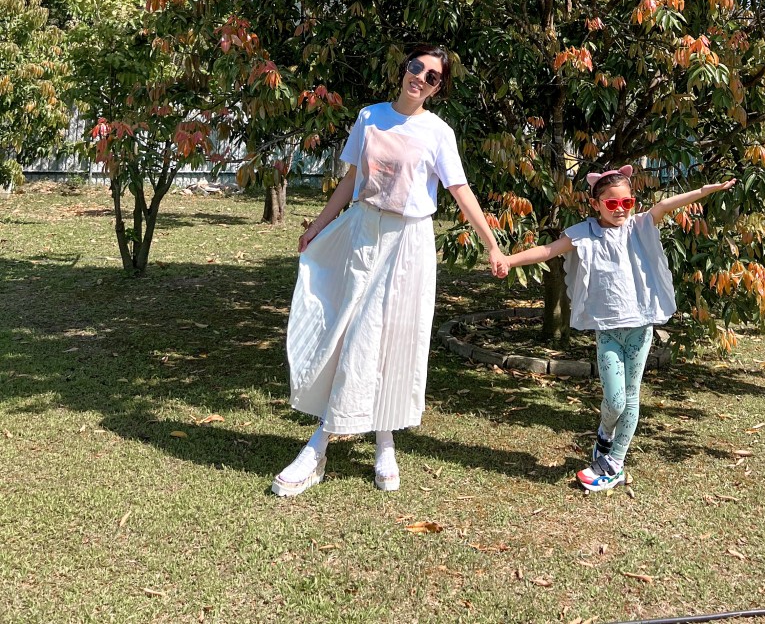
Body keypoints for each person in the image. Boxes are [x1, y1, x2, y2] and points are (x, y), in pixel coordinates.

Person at [272, 43, 504, 497]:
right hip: (364, 231)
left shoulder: (438, 133)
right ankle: (320, 444)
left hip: (410, 243)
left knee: (396, 339)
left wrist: (492, 243)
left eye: (432, 76)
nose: (420, 77)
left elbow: (460, 191)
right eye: (416, 67)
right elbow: (349, 182)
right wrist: (318, 227)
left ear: (438, 88)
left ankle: (384, 440)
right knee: (352, 330)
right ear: (404, 70)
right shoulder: (370, 117)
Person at [495, 165, 735, 491]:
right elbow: (548, 251)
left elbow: (667, 205)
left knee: (632, 398)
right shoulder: (584, 232)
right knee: (615, 400)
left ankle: (613, 464)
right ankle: (605, 435)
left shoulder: (638, 226)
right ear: (595, 204)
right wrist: (509, 260)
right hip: (607, 330)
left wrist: (706, 190)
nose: (621, 209)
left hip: (640, 329)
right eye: (611, 204)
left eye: (627, 202)